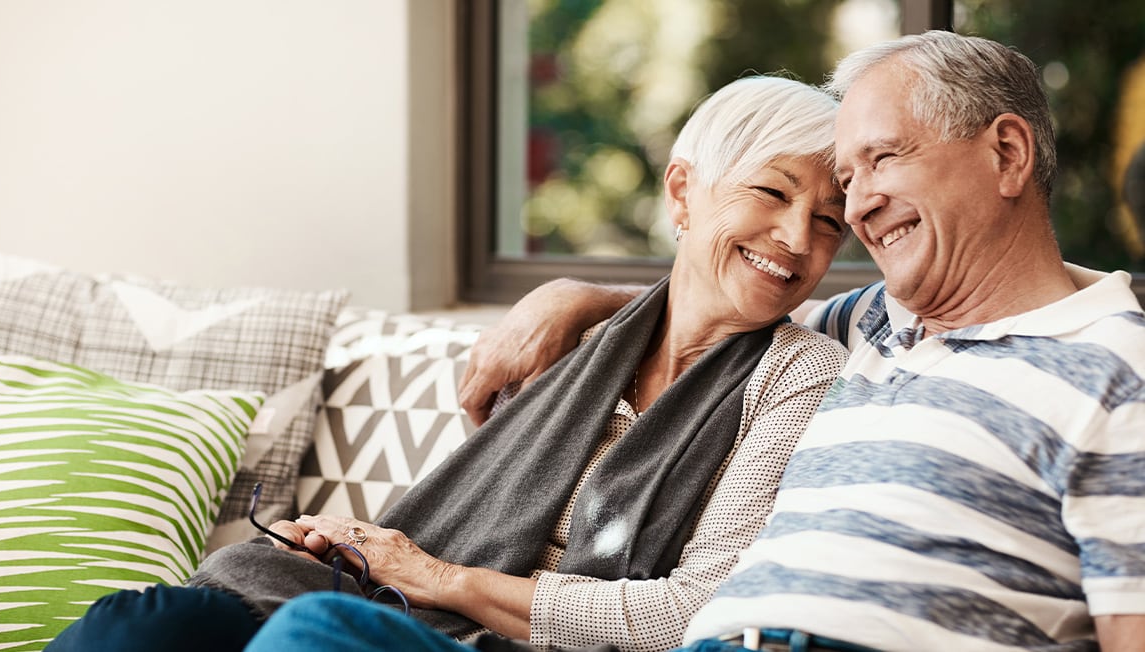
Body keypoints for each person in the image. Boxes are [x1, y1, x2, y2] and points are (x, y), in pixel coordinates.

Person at [245, 30, 1145, 651]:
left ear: (1009, 155)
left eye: (885, 159)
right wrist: (580, 296)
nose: (858, 204)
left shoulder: (1118, 369)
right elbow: (718, 296)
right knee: (173, 624)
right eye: (848, 174)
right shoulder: (870, 324)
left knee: (312, 638)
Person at [48, 75, 852, 652]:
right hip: (394, 602)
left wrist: (429, 574)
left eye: (828, 222)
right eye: (772, 193)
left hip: (480, 631)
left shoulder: (800, 374)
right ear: (682, 193)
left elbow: (685, 615)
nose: (797, 239)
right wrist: (354, 551)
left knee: (310, 637)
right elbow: (473, 516)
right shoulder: (576, 342)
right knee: (143, 624)